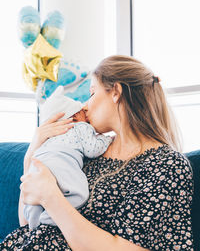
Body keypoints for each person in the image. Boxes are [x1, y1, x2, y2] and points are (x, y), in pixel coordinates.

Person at [1, 55, 194, 251]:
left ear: (116, 92)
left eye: (92, 93)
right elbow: (27, 226)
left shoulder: (166, 165)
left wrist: (51, 197)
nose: (85, 106)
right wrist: (31, 156)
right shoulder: (85, 153)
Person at [24, 96, 112, 230]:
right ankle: (48, 220)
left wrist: (29, 157)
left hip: (38, 159)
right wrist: (106, 139)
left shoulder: (52, 136)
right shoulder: (81, 126)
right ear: (75, 116)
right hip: (59, 161)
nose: (86, 109)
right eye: (83, 111)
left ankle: (34, 226)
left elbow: (22, 220)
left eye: (93, 93)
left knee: (33, 202)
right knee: (79, 194)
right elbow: (93, 149)